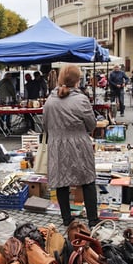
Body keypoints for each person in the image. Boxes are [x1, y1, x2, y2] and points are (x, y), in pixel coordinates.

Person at [43, 64, 99, 228]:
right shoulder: (81, 99)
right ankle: (93, 219)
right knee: (87, 181)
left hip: (57, 144)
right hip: (79, 144)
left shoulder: (50, 100)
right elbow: (91, 124)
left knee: (62, 182)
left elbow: (45, 126)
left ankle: (67, 219)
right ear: (77, 80)